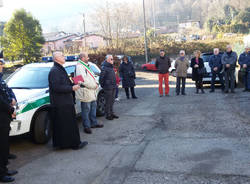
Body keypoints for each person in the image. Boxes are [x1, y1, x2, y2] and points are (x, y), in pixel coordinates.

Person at [48, 51, 88, 150]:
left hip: (64, 102)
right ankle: (75, 144)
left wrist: (75, 83)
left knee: (65, 125)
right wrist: (71, 88)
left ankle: (64, 144)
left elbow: (65, 83)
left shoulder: (60, 69)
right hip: (62, 103)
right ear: (56, 59)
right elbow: (56, 87)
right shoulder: (54, 71)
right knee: (67, 125)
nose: (64, 57)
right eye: (62, 56)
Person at [75, 53, 103, 135]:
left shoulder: (86, 65)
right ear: (83, 58)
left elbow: (92, 77)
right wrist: (94, 85)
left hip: (92, 91)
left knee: (93, 108)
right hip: (86, 91)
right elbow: (81, 80)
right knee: (86, 110)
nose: (88, 58)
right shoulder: (79, 66)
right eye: (87, 57)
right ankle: (86, 126)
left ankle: (94, 123)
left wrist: (96, 83)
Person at [0, 59, 18, 183]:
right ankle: (1, 174)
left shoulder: (1, 78)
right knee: (1, 145)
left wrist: (12, 98)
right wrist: (11, 109)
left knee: (4, 143)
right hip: (1, 115)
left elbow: (7, 90)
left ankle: (4, 169)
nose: (3, 65)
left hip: (4, 115)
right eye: (0, 63)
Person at [99, 55, 119, 120]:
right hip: (108, 87)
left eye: (112, 59)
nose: (113, 60)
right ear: (107, 60)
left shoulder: (111, 66)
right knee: (108, 101)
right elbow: (101, 78)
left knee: (112, 101)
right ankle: (108, 115)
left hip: (113, 86)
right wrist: (104, 85)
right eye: (111, 59)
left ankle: (112, 113)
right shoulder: (104, 67)